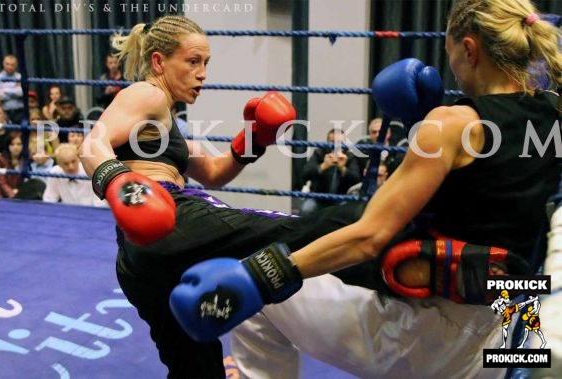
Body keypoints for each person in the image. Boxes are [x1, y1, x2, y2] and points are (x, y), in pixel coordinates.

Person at [171, 1, 562, 378]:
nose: (453, 71)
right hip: (515, 332)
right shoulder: (552, 112)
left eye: (451, 54)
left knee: (259, 299)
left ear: (470, 49)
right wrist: (418, 127)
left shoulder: (453, 123)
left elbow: (370, 236)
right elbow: (492, 186)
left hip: (438, 341)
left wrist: (262, 276)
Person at [78, 15, 368, 379]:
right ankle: (400, 249)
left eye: (206, 63)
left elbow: (215, 172)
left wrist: (255, 138)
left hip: (141, 261)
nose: (203, 73)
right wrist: (125, 185)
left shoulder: (167, 119)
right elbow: (93, 143)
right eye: (193, 61)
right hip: (173, 220)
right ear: (158, 62)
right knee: (314, 228)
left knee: (196, 370)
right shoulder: (145, 94)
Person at [299, 128, 361, 216]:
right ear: (327, 143)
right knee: (306, 209)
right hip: (318, 198)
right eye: (333, 142)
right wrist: (323, 166)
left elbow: (356, 179)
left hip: (341, 198)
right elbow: (305, 174)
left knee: (349, 213)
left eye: (340, 143)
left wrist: (342, 168)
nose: (337, 146)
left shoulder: (349, 157)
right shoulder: (319, 153)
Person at [0, 54, 24, 125]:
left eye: (12, 65)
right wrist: (14, 88)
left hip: (20, 111)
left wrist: (5, 90)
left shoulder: (20, 77)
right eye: (7, 64)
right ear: (3, 63)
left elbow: (21, 92)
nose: (9, 67)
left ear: (16, 65)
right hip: (4, 112)